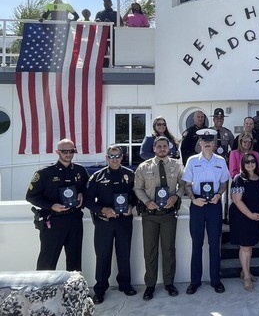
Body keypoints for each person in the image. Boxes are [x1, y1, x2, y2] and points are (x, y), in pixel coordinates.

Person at [84, 146, 137, 304]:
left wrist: (131, 206)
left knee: (124, 254)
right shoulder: (97, 176)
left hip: (124, 221)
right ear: (106, 158)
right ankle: (100, 289)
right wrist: (102, 209)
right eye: (111, 156)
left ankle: (125, 284)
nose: (114, 159)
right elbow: (87, 200)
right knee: (103, 256)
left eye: (117, 156)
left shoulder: (130, 174)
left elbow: (137, 195)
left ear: (122, 157)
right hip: (104, 222)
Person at [134, 136, 185, 301]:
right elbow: (137, 188)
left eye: (165, 146)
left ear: (169, 148)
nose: (162, 149)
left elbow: (184, 184)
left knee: (169, 249)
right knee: (150, 251)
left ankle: (169, 283)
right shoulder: (144, 167)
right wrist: (146, 201)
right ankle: (150, 285)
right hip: (150, 215)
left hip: (169, 215)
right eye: (159, 146)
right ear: (154, 148)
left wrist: (176, 196)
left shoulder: (177, 165)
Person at [25, 139, 88, 271]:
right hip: (52, 222)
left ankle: (75, 291)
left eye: (71, 151)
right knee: (47, 261)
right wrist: (51, 205)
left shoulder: (80, 171)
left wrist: (82, 194)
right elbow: (31, 196)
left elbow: (88, 190)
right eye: (64, 151)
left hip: (74, 220)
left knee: (74, 260)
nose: (68, 154)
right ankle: (42, 291)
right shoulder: (44, 173)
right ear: (57, 152)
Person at [183, 129, 230, 295]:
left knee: (214, 244)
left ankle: (215, 280)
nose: (208, 142)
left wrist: (219, 195)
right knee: (196, 244)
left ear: (214, 142)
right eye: (204, 139)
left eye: (211, 139)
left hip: (214, 205)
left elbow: (224, 183)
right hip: (197, 204)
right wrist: (193, 199)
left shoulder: (221, 161)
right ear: (200, 143)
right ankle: (194, 281)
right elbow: (187, 185)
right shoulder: (192, 161)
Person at [229, 154, 259, 291]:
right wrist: (250, 215)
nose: (250, 164)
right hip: (242, 217)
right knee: (245, 247)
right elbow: (237, 200)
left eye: (252, 161)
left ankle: (246, 271)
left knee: (249, 247)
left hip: (255, 217)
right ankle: (246, 277)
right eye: (247, 162)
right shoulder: (239, 179)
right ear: (242, 164)